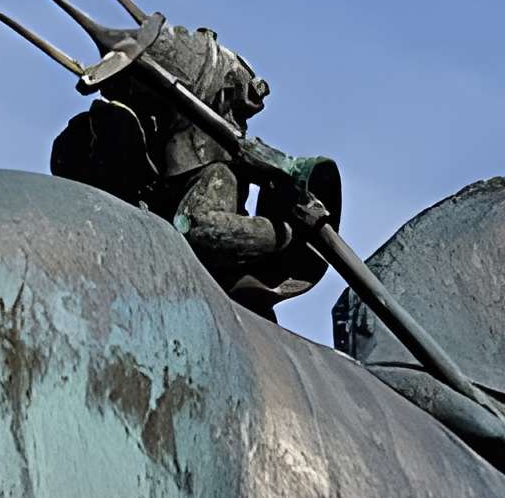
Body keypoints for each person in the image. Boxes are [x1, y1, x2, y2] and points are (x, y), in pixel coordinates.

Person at [47, 21, 340, 318]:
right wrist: (285, 233)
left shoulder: (216, 168)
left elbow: (197, 228)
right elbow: (199, 227)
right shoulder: (212, 168)